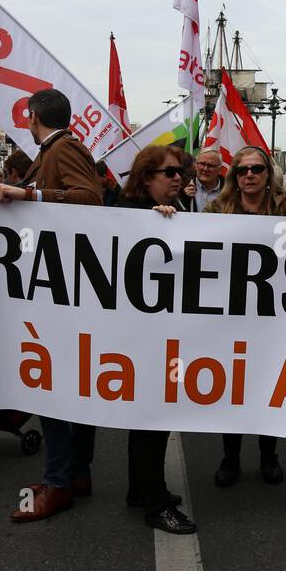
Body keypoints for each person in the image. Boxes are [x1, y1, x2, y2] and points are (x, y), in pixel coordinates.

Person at [0, 90, 105, 524]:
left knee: (53, 388)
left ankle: (60, 482)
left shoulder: (65, 147)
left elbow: (89, 199)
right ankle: (74, 474)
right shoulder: (54, 150)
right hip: (58, 283)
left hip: (65, 287)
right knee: (64, 387)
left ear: (32, 115)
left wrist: (27, 196)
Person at [205, 145, 286, 487]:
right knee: (232, 389)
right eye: (242, 170)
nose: (249, 175)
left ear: (268, 174)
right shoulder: (216, 210)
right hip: (228, 316)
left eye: (256, 169)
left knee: (268, 388)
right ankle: (229, 457)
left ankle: (268, 455)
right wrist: (165, 215)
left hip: (274, 317)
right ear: (234, 176)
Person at [113, 144, 198, 534]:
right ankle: (155, 502)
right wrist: (154, 224)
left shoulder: (174, 214)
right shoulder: (131, 216)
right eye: (169, 172)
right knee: (152, 418)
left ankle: (141, 489)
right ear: (146, 178)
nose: (178, 177)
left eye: (179, 171)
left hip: (162, 335)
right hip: (142, 339)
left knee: (152, 420)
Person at [188, 146, 224, 211]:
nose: (205, 169)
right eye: (202, 164)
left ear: (220, 170)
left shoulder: (229, 191)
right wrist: (184, 197)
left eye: (210, 165)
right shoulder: (184, 187)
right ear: (196, 165)